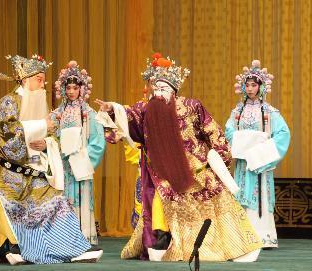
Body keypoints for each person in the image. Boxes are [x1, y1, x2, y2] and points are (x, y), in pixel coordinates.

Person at [95, 53, 262, 262]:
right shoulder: (147, 110)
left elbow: (213, 132)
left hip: (197, 169)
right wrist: (112, 109)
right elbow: (128, 115)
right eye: (156, 89)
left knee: (218, 204)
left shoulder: (192, 106)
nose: (158, 93)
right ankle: (162, 245)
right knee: (160, 204)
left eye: (163, 89)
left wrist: (218, 156)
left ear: (174, 91)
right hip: (163, 172)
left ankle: (235, 247)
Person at [0, 54, 102, 265]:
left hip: (31, 169)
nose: (42, 84)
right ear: (25, 80)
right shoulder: (8, 102)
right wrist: (42, 126)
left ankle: (75, 247)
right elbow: (9, 135)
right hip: (5, 170)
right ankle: (18, 248)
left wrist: (47, 143)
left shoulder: (39, 104)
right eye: (38, 79)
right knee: (12, 204)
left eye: (43, 79)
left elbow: (50, 135)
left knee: (54, 200)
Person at [225, 60, 290, 249]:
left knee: (260, 195)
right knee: (241, 194)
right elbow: (229, 131)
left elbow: (283, 134)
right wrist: (246, 141)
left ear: (261, 87)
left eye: (254, 85)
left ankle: (263, 236)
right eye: (247, 84)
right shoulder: (237, 111)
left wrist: (262, 150)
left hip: (259, 162)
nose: (250, 88)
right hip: (243, 163)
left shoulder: (269, 112)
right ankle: (242, 237)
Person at [50, 60, 105, 245]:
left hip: (79, 165)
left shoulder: (89, 114)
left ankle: (81, 238)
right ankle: (62, 238)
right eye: (68, 87)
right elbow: (50, 137)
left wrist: (80, 159)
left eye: (75, 87)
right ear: (63, 89)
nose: (72, 91)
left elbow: (98, 143)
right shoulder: (56, 114)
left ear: (82, 89)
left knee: (81, 197)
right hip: (62, 166)